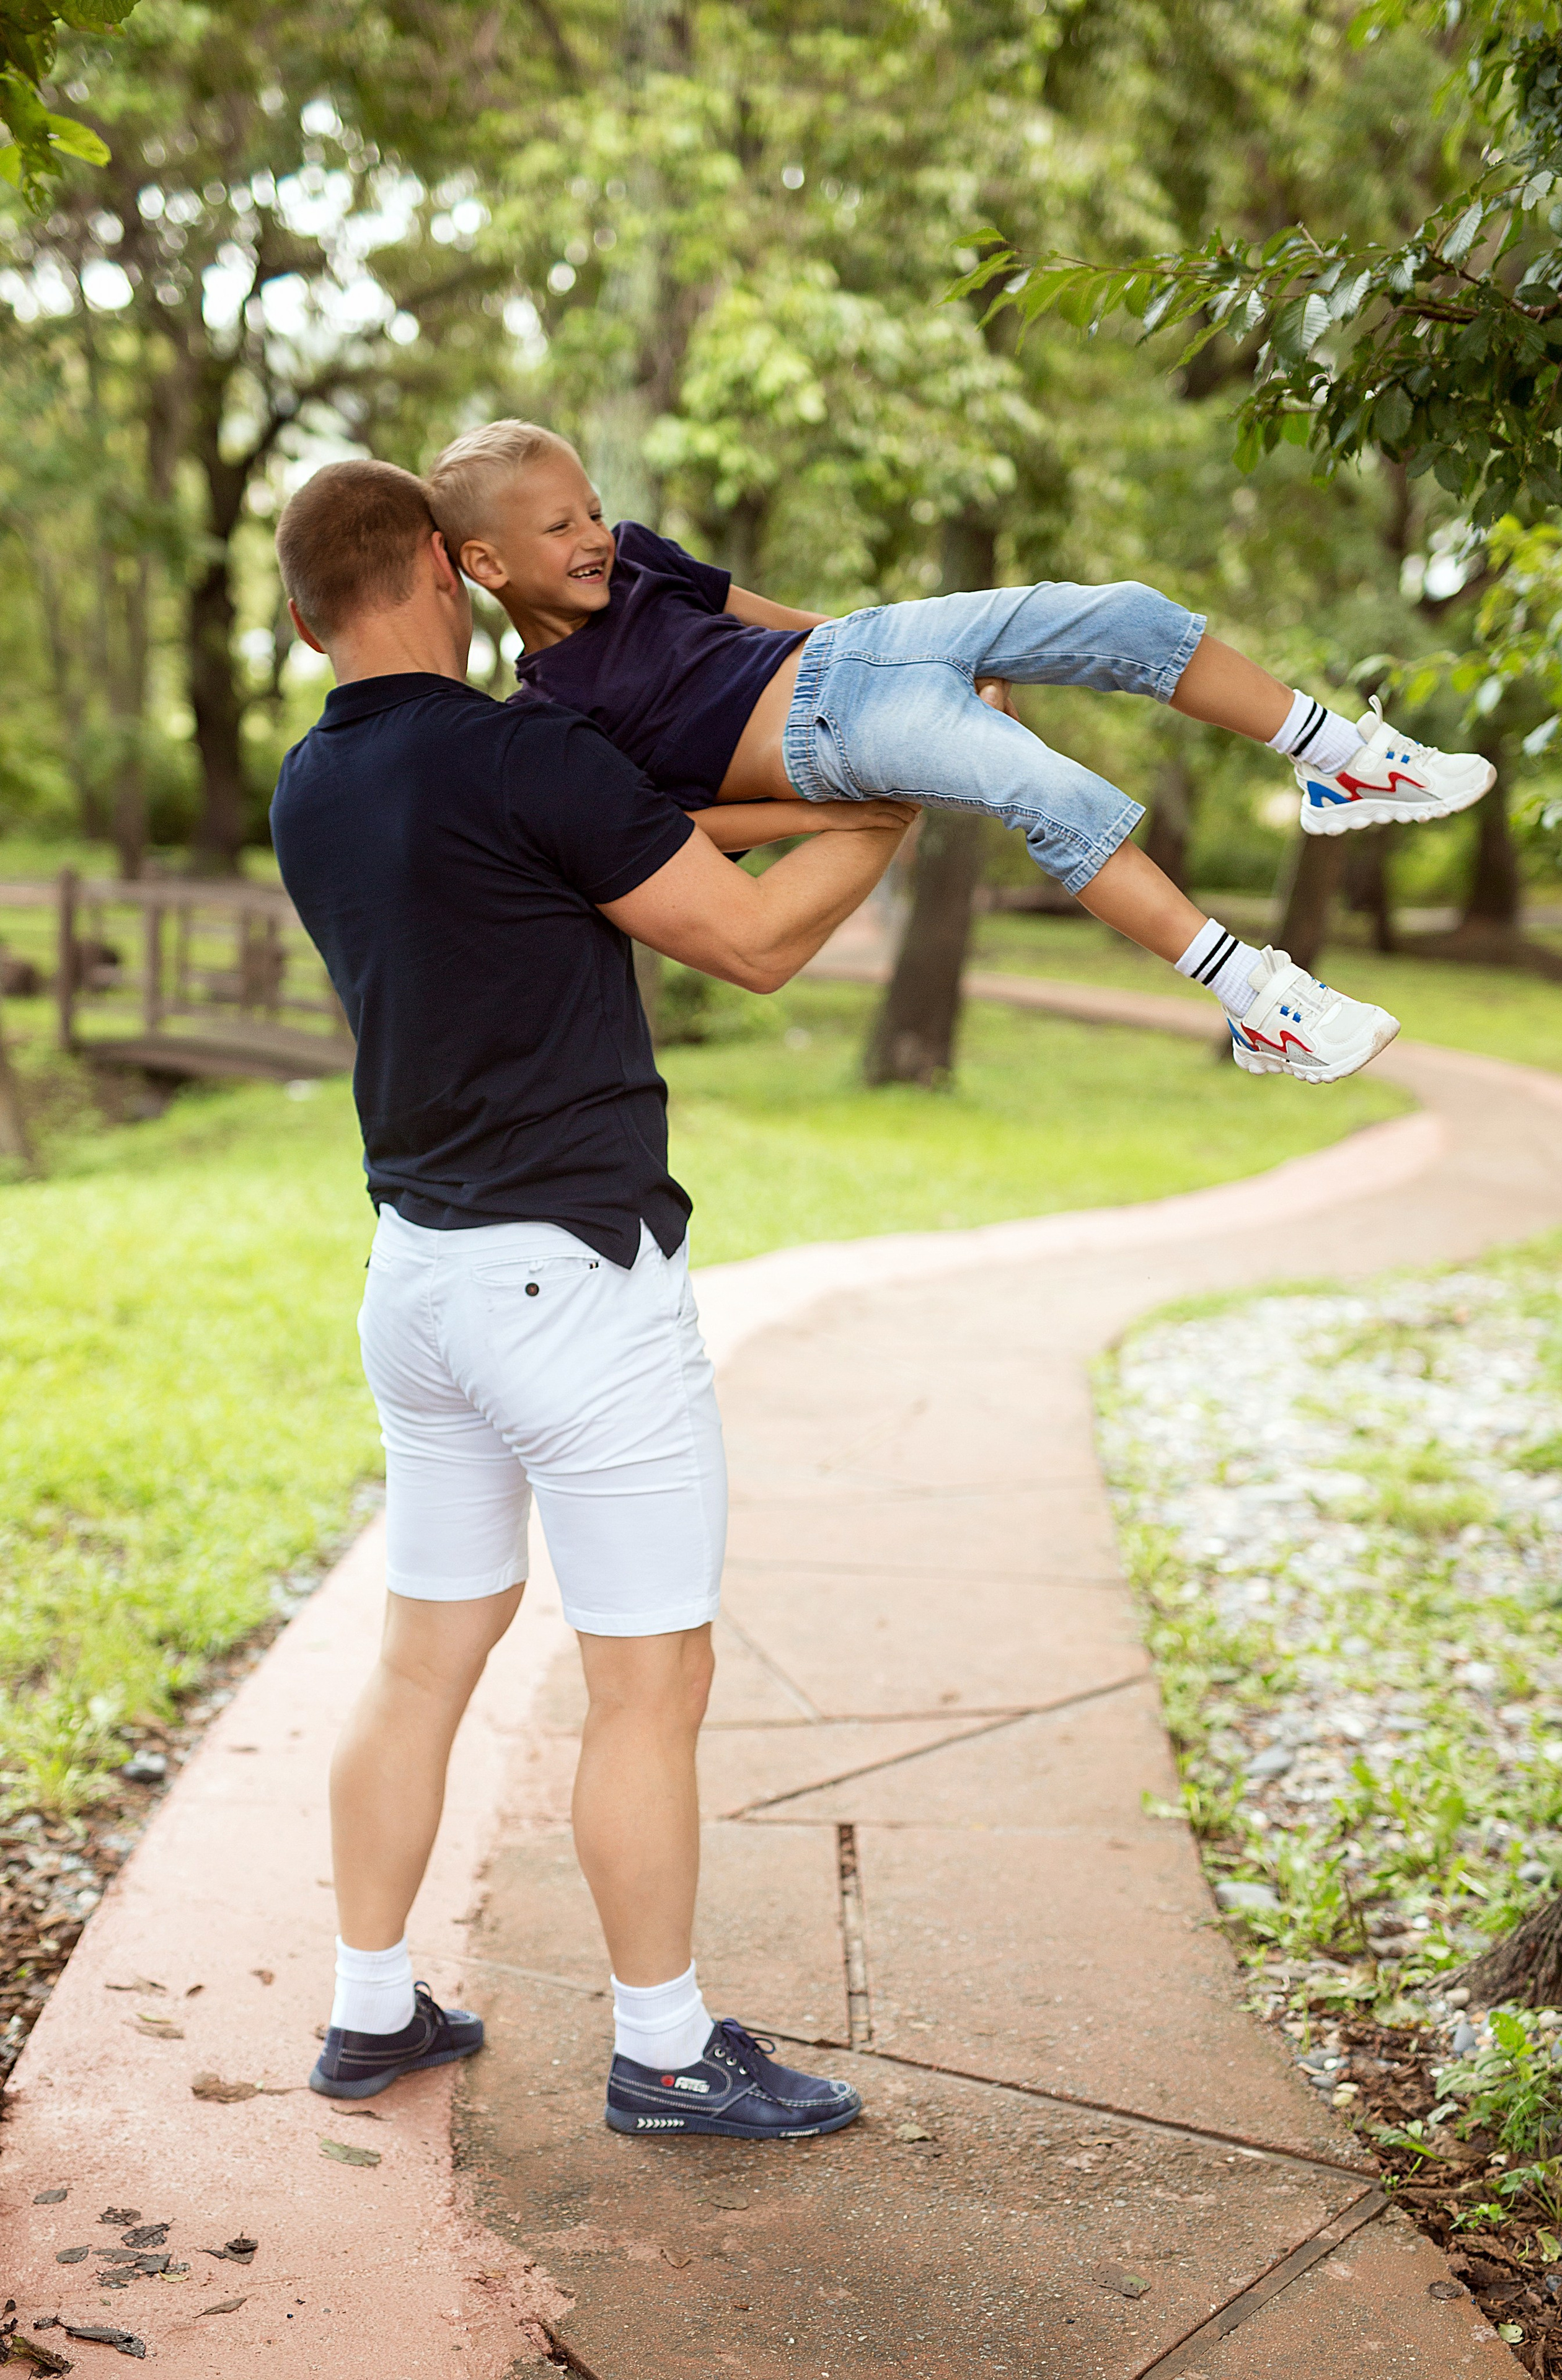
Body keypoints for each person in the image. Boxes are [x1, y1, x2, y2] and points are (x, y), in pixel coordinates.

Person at [269, 457, 913, 2138]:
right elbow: (757, 946)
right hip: (577, 1283)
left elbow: (595, 841)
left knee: (424, 1662)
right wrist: (886, 823)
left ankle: (370, 2010)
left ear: (299, 611)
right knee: (649, 1686)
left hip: (418, 1281)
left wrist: (790, 816)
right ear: (440, 562)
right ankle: (665, 2049)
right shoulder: (524, 754)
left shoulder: (311, 790)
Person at [426, 420, 1493, 1087]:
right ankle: (1264, 1004)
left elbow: (779, 623)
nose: (595, 537)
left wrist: (932, 655)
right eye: (560, 527)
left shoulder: (646, 562)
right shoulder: (554, 713)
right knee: (1056, 790)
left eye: (594, 512)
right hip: (834, 740)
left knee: (1117, 614)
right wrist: (830, 812)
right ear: (485, 563)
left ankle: (1331, 755)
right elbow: (679, 831)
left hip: (868, 649)